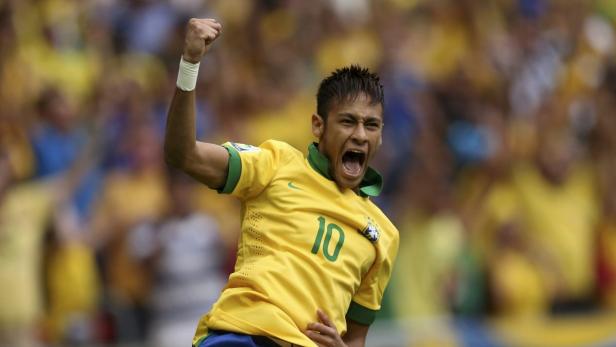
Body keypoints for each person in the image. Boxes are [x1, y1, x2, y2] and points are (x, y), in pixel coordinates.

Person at [164, 18, 399, 347]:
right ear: (318, 126)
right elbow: (183, 155)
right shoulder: (274, 163)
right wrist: (190, 64)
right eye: (348, 121)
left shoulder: (384, 236)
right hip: (241, 336)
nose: (360, 134)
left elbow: (356, 338)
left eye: (371, 125)